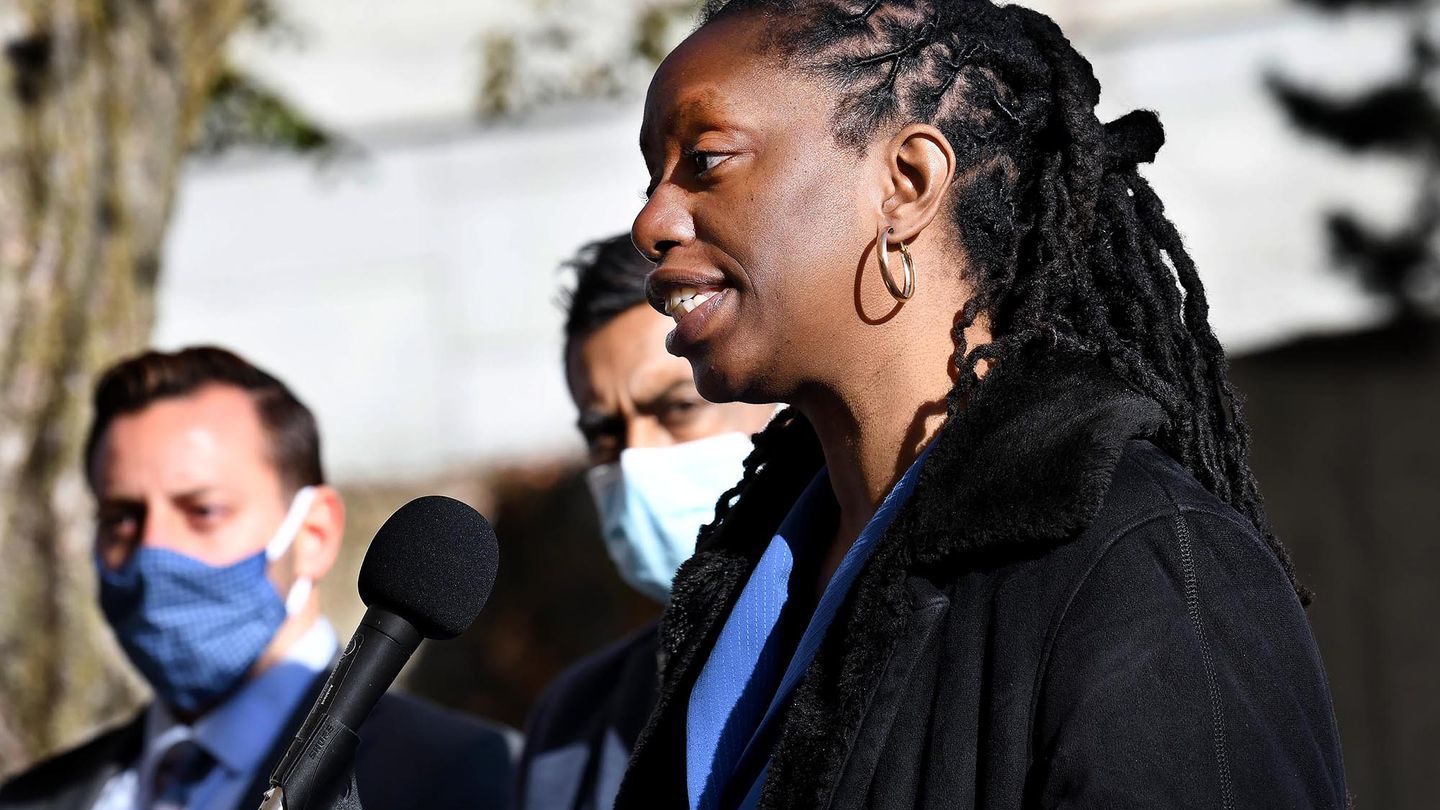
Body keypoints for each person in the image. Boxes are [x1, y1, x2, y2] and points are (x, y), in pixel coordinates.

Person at [616, 2, 1348, 808]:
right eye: (654, 175)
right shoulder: (746, 586)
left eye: (707, 160)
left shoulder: (1143, 568)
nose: (652, 221)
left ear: (907, 184)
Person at [0, 347, 515, 810]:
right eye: (122, 518)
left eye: (203, 511)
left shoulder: (455, 775)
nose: (153, 550)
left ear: (313, 534)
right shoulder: (36, 798)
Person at [514, 235, 774, 810]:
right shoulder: (569, 726)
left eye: (677, 408)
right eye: (604, 435)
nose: (634, 460)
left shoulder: (875, 644)